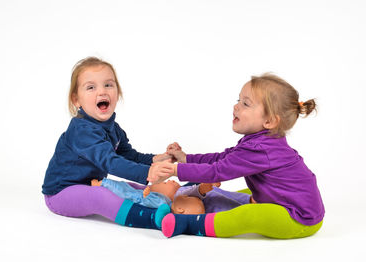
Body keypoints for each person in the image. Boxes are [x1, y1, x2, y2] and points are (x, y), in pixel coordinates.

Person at [148, 73, 325, 238]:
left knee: (248, 214)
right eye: (238, 100)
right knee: (230, 195)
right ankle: (206, 205)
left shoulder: (260, 148)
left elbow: (217, 171)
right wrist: (186, 158)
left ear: (269, 121)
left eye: (245, 104)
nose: (236, 106)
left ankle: (190, 224)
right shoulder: (260, 141)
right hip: (288, 203)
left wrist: (176, 170)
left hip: (300, 218)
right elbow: (223, 158)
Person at [42, 56, 174, 230]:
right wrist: (149, 172)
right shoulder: (81, 131)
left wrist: (157, 159)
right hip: (61, 193)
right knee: (102, 196)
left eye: (108, 85)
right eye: (91, 87)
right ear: (76, 100)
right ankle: (153, 218)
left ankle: (178, 201)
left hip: (93, 183)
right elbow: (111, 162)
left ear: (117, 93)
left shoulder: (114, 128)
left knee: (135, 188)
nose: (102, 92)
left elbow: (130, 156)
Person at [91, 178, 221, 215]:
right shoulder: (168, 200)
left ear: (180, 209)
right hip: (139, 194)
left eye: (187, 198)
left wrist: (147, 196)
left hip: (136, 197)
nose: (186, 195)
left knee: (123, 190)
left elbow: (149, 202)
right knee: (125, 187)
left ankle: (102, 184)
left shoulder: (163, 204)